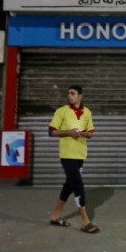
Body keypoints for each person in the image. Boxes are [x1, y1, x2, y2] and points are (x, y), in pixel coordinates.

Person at [47, 85, 99, 233]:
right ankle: (85, 221)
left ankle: (55, 215)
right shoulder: (61, 111)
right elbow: (51, 132)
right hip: (67, 154)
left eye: (72, 93)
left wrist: (85, 134)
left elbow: (90, 132)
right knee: (77, 184)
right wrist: (68, 132)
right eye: (68, 93)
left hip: (80, 154)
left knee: (69, 185)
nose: (69, 96)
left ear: (80, 96)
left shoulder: (87, 112)